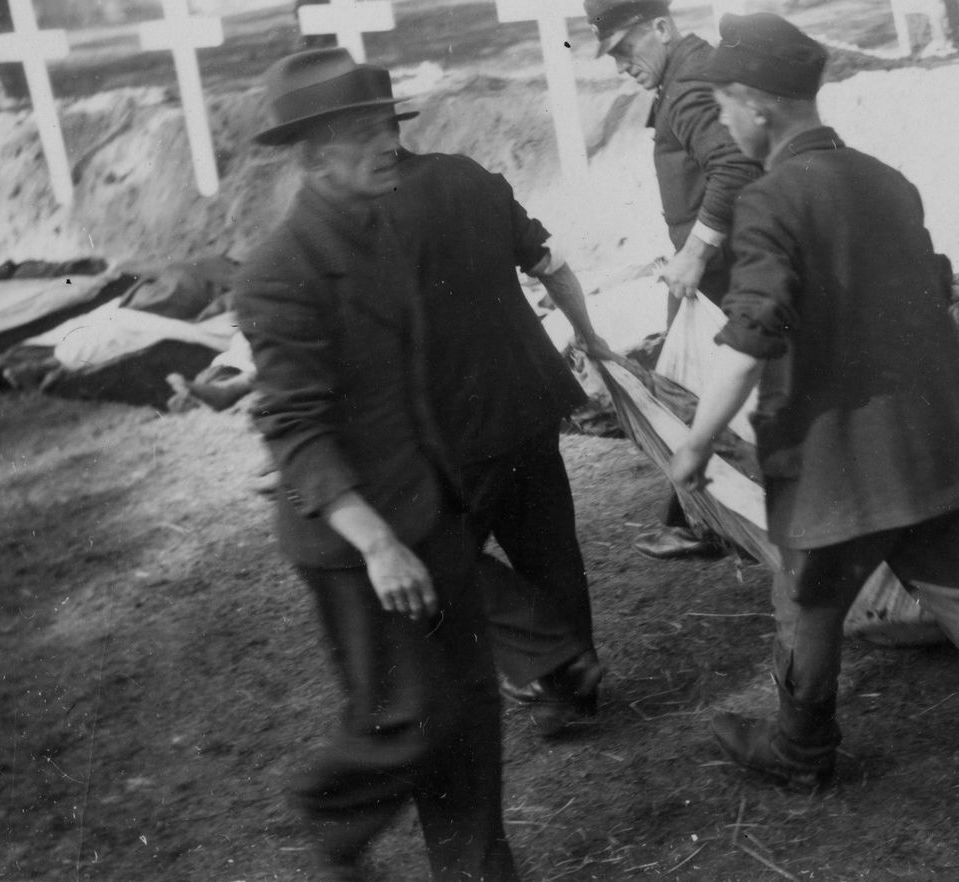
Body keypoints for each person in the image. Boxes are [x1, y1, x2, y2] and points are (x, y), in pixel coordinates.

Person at [669, 13, 959, 847]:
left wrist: (695, 447)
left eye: (724, 108)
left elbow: (751, 334)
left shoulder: (771, 198)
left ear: (752, 103)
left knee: (804, 600)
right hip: (934, 450)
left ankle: (801, 748)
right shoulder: (887, 181)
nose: (724, 126)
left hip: (838, 468)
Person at [235, 49, 517, 880]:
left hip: (429, 504)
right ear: (314, 156)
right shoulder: (278, 274)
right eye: (363, 133)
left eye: (387, 125)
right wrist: (376, 542)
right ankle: (332, 807)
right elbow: (292, 424)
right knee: (407, 717)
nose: (387, 144)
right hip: (353, 539)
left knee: (469, 706)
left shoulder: (384, 224)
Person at [382, 118, 614, 741]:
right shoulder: (467, 175)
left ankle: (548, 660)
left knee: (433, 555)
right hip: (530, 395)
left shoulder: (360, 215)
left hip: (452, 423)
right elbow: (554, 265)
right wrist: (588, 338)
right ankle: (572, 692)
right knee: (547, 544)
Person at [586, 0, 764, 561]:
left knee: (687, 389)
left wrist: (693, 252)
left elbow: (734, 167)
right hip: (724, 264)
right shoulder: (690, 73)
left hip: (723, 268)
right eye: (613, 55)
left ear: (662, 27)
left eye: (625, 49)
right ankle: (697, 516)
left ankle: (705, 519)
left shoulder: (687, 87)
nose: (621, 65)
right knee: (694, 386)